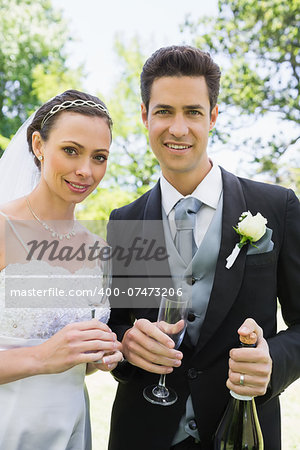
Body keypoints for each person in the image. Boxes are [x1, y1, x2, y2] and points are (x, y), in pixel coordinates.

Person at [107, 46, 300, 450]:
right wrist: (126, 343)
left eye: (193, 112)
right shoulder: (124, 221)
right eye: (164, 112)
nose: (178, 129)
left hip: (243, 433)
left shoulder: (276, 207)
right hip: (143, 434)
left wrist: (274, 362)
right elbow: (116, 324)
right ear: (144, 116)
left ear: (212, 116)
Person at [0, 89, 123, 450]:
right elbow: (47, 352)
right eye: (71, 150)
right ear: (38, 145)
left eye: (99, 157)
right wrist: (42, 356)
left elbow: (73, 361)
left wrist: (98, 357)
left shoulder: (100, 250)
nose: (85, 170)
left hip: (71, 427)